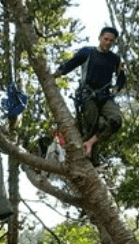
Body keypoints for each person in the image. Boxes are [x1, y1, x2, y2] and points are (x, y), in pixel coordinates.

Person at [53, 26, 127, 164]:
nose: (107, 42)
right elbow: (71, 63)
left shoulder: (115, 59)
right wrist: (55, 74)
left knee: (115, 120)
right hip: (87, 95)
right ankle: (90, 157)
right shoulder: (87, 52)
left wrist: (117, 87)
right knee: (91, 126)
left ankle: (91, 143)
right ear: (100, 37)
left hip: (105, 96)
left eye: (111, 41)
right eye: (105, 39)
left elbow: (121, 76)